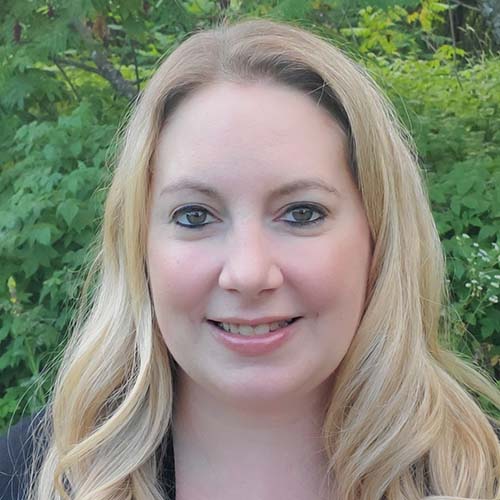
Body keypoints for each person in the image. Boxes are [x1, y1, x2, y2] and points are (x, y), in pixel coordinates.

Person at [1, 18, 499, 500]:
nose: (248, 273)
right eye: (195, 216)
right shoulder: (23, 477)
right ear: (139, 245)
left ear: (379, 236)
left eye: (302, 213)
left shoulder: (483, 479)